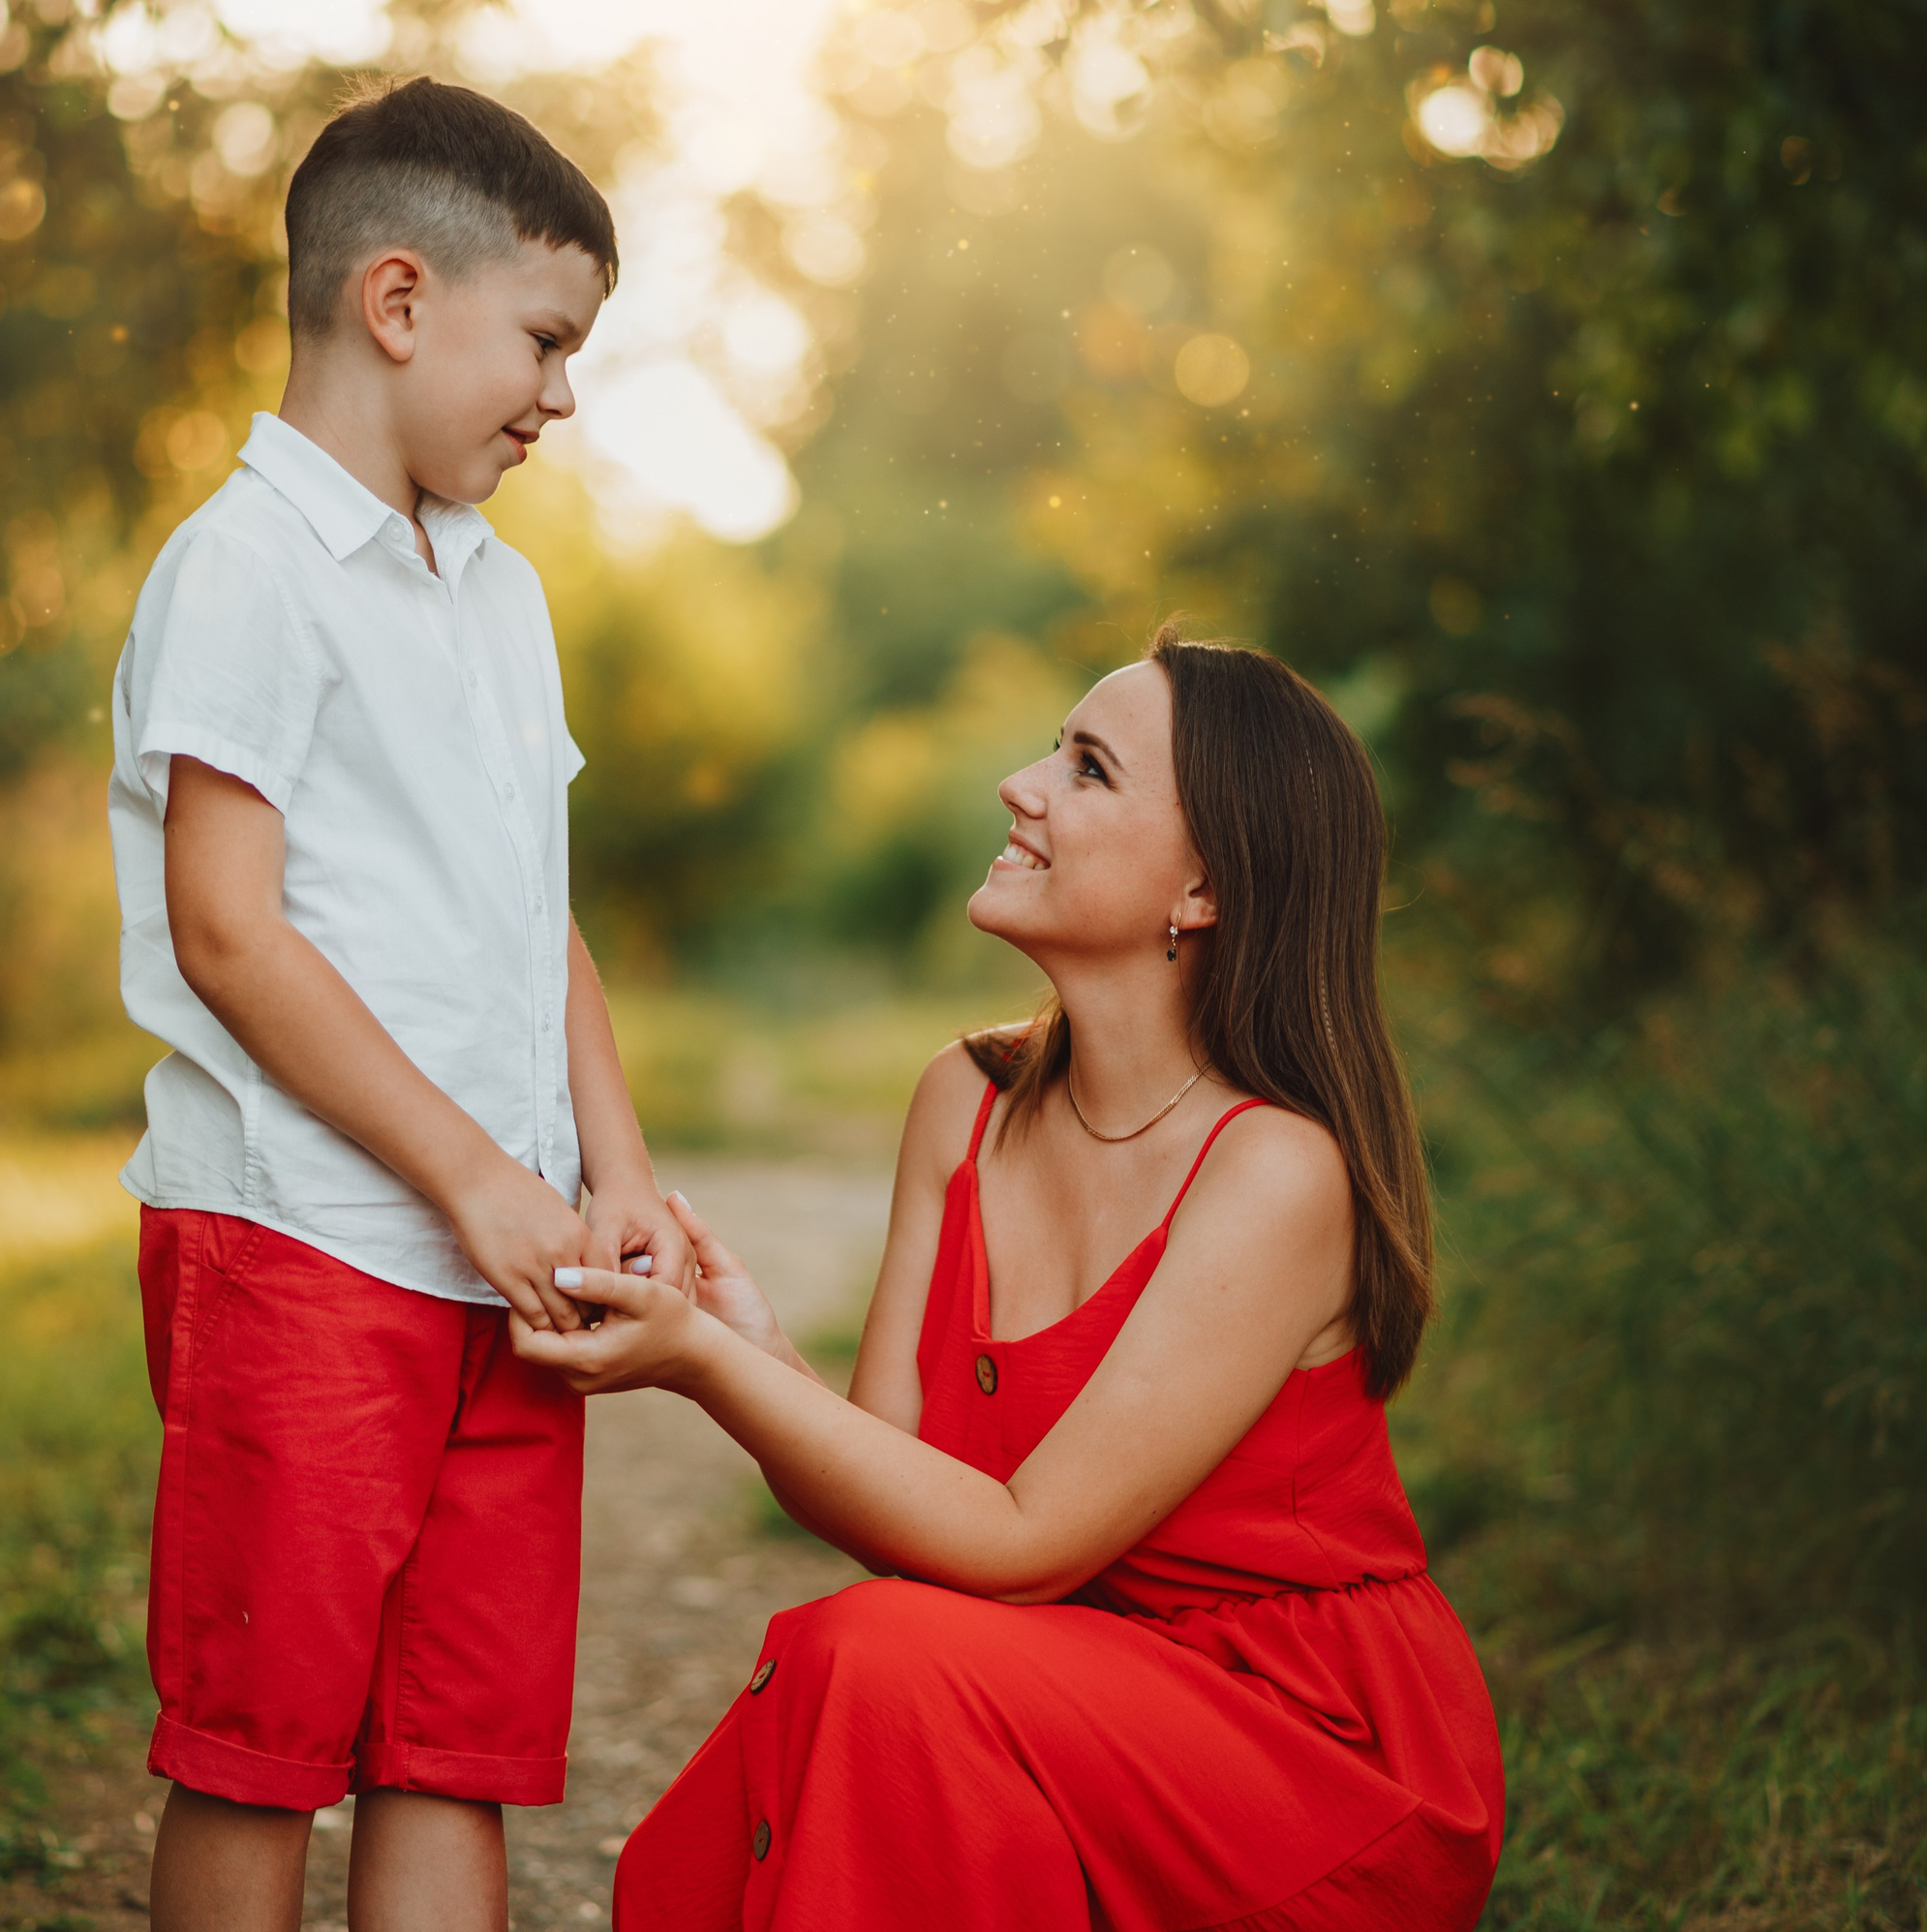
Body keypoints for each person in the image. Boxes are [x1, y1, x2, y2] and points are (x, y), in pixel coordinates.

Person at [518, 634, 1506, 1930]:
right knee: (877, 1646)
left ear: (1204, 888)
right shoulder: (964, 1104)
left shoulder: (1277, 1170)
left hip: (1299, 1749)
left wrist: (700, 1371)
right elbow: (897, 1503)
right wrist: (749, 1349)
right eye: (1054, 747)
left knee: (872, 1656)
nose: (1018, 785)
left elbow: (1024, 1550)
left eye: (1087, 768)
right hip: (1058, 1694)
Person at [105, 77, 689, 1932]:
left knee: (464, 1740)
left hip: (507, 1268)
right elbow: (230, 931)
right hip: (308, 1244)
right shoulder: (247, 570)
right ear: (399, 299)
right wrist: (467, 1174)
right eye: (546, 340)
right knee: (262, 1742)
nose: (563, 396)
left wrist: (616, 1168)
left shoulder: (500, 593)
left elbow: (543, 916)